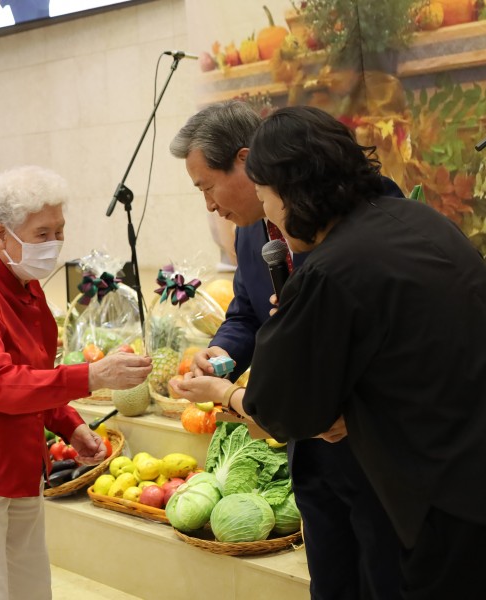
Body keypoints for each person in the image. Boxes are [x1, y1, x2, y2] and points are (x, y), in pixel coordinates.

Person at [185, 106, 486, 599]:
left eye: (267, 197)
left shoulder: (334, 267)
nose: (266, 212)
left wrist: (225, 394)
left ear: (291, 189)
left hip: (455, 496)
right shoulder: (413, 219)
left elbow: (278, 410)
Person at [167, 100, 404, 600]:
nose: (208, 205)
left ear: (248, 162)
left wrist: (233, 398)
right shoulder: (252, 232)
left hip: (367, 440)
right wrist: (219, 353)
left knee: (387, 576)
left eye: (207, 186)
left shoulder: (359, 221)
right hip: (307, 447)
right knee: (332, 577)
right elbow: (248, 313)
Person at [0, 165, 152, 600]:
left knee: (31, 589)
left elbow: (33, 372)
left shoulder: (26, 285)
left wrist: (69, 424)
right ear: (1, 235)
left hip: (15, 460)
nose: (55, 244)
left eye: (60, 230)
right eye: (42, 233)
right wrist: (92, 376)